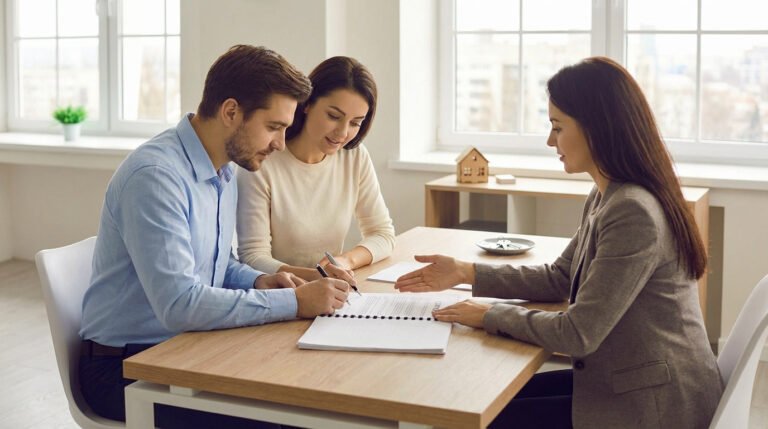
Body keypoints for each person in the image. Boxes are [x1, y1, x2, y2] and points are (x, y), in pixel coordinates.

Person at [394, 57, 723, 428]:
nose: (550, 141)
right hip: (630, 380)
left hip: (656, 405)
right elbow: (560, 276)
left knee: (477, 418)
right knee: (479, 405)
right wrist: (464, 271)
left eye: (557, 127)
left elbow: (577, 333)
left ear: (597, 128)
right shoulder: (608, 194)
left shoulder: (633, 211)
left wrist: (488, 314)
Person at [79, 45, 351, 429]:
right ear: (230, 112)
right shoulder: (156, 177)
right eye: (273, 127)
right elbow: (180, 305)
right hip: (124, 369)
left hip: (184, 349)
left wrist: (262, 281)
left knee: (321, 393)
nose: (279, 143)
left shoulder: (223, 170)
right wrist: (293, 301)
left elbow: (217, 265)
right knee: (295, 419)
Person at [236, 56, 395, 282]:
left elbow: (383, 234)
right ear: (307, 104)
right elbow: (252, 257)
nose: (342, 133)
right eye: (333, 116)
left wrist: (344, 261)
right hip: (280, 295)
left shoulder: (354, 156)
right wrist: (316, 277)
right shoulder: (263, 161)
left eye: (355, 123)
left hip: (329, 294)